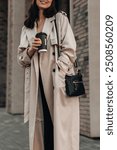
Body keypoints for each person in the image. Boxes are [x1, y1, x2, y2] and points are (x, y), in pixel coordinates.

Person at [17, 0, 80, 150]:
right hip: (37, 85)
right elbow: (21, 60)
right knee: (42, 130)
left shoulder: (60, 19)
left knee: (60, 132)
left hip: (57, 84)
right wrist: (31, 49)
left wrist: (59, 73)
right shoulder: (27, 27)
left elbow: (70, 50)